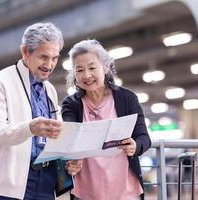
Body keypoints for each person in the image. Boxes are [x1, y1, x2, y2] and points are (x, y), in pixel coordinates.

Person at [0, 22, 81, 200]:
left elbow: (53, 138)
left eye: (55, 58)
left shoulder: (49, 89)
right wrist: (30, 128)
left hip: (48, 180)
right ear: (25, 51)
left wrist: (69, 160)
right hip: (12, 183)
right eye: (43, 57)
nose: (49, 65)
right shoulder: (0, 82)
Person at [61, 39, 151, 200]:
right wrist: (71, 159)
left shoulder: (127, 98)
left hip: (126, 192)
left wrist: (135, 146)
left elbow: (144, 138)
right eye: (79, 70)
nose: (86, 75)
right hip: (85, 193)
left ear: (105, 67)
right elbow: (70, 141)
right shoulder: (71, 104)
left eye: (92, 67)